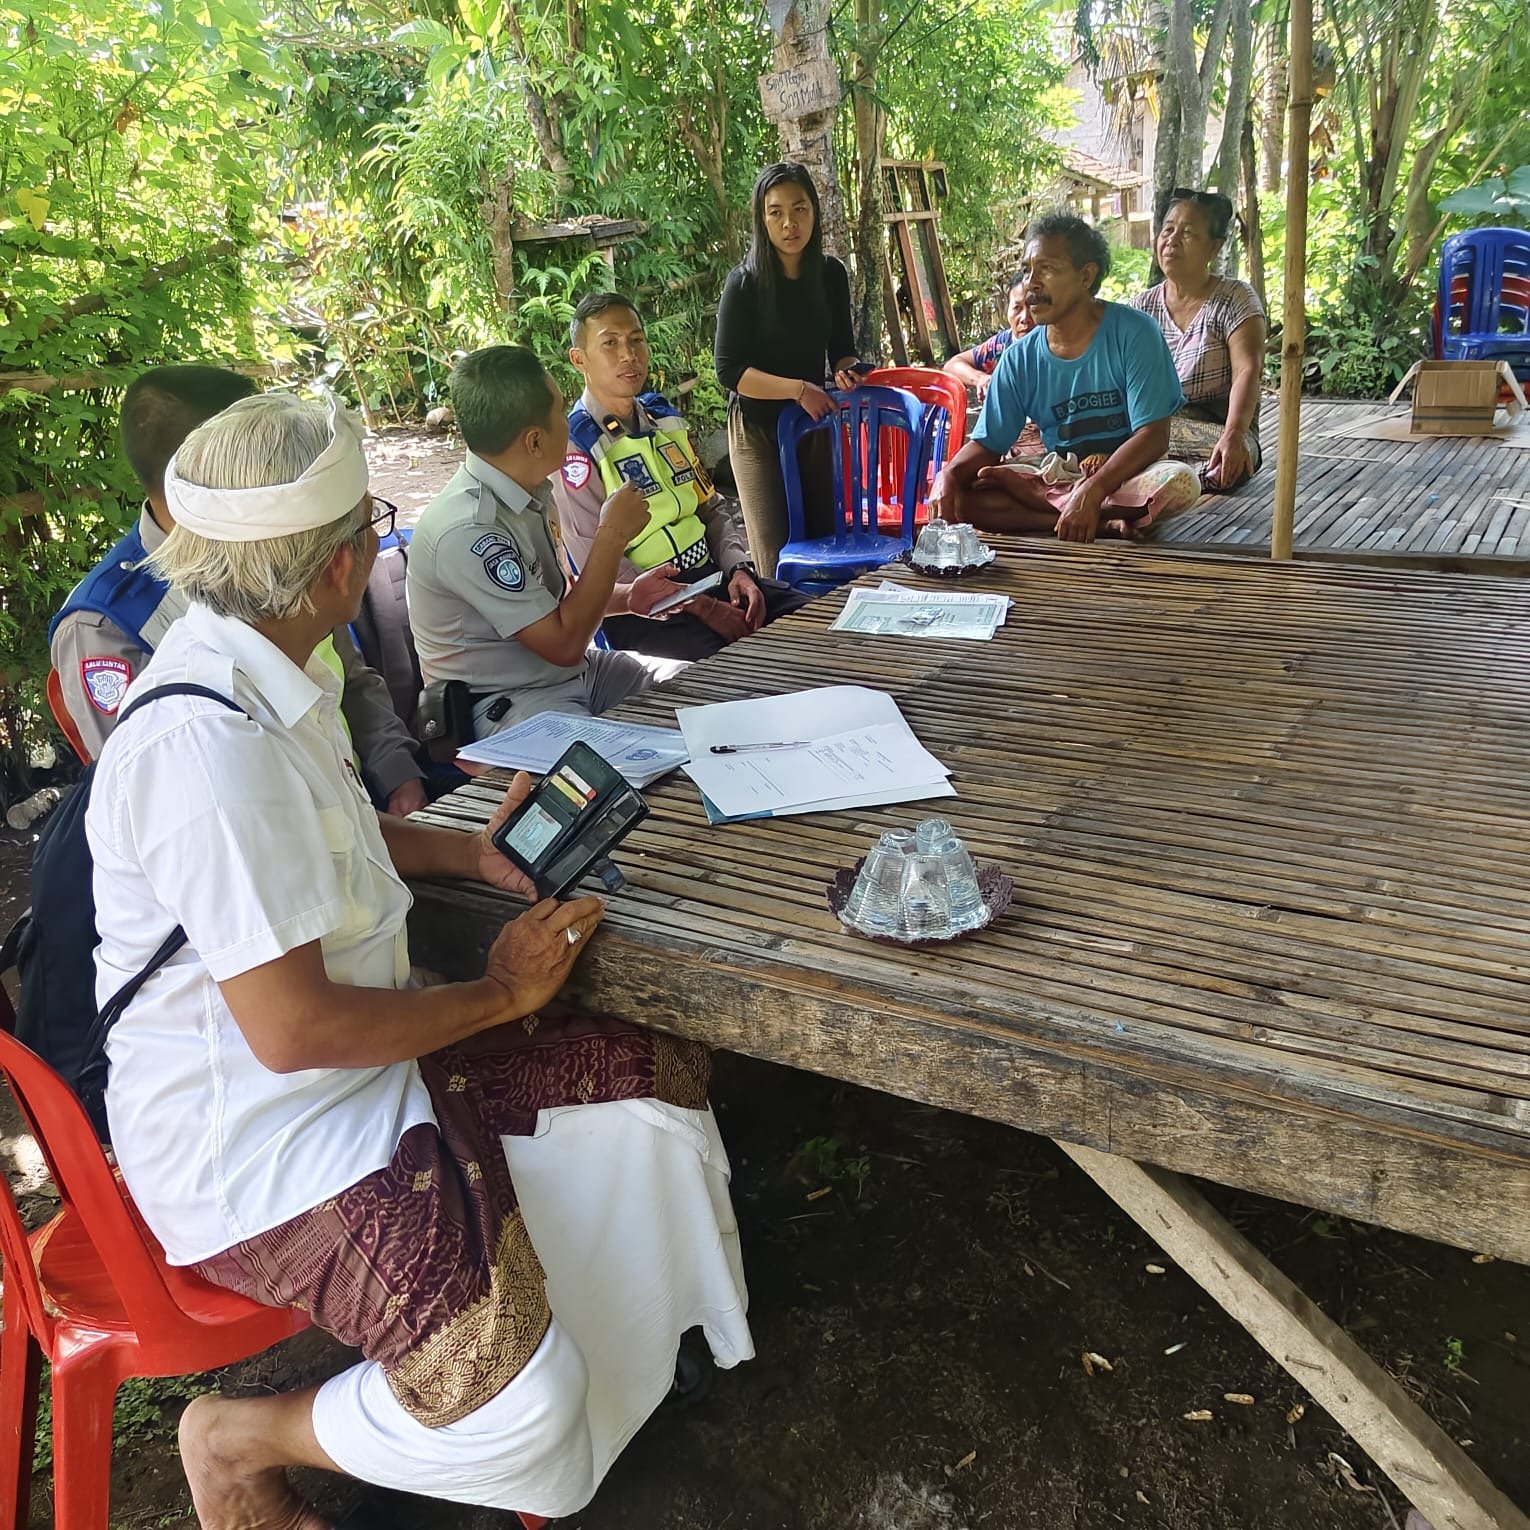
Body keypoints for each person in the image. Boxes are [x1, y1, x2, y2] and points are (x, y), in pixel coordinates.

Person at [86, 391, 752, 1525]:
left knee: (650, 1076)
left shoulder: (260, 667)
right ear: (341, 570)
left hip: (354, 1066)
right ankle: (242, 1439)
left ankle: (590, 1365)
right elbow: (295, 1033)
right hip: (257, 1143)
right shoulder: (207, 744)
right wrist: (497, 995)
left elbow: (325, 835)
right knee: (514, 1409)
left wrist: (461, 850)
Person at [50, 365, 427, 814]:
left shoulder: (283, 545)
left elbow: (346, 674)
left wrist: (399, 777)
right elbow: (152, 798)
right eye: (265, 446)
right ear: (202, 466)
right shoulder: (106, 624)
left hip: (358, 802)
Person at [406, 345, 687, 739]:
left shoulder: (532, 489)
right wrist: (613, 535)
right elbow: (563, 643)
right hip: (504, 703)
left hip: (574, 674)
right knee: (607, 776)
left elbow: (555, 601)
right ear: (535, 441)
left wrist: (629, 597)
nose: (569, 422)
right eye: (560, 412)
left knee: (698, 693)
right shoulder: (469, 530)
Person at [555, 291, 811, 661]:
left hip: (713, 579)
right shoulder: (577, 448)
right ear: (580, 359)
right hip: (645, 611)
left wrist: (740, 571)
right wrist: (702, 607)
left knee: (816, 623)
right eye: (610, 343)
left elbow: (711, 508)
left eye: (636, 340)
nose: (629, 355)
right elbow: (601, 570)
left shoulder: (665, 421)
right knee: (740, 669)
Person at [928, 212, 1188, 543]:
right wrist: (948, 475)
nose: (1031, 283)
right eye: (1027, 271)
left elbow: (1153, 436)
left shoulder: (1134, 333)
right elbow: (988, 444)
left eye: (1047, 269)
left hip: (1129, 476)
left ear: (1086, 276)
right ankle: (1102, 525)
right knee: (965, 496)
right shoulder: (1018, 359)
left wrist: (1093, 490)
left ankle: (1073, 511)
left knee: (1178, 482)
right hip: (1060, 478)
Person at [713, 162, 866, 578]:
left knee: (824, 535)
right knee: (773, 550)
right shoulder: (743, 284)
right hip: (756, 424)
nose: (789, 223)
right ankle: (778, 635)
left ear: (815, 212)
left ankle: (827, 632)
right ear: (761, 220)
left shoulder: (831, 274)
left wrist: (848, 372)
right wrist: (799, 389)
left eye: (799, 209)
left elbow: (842, 351)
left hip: (810, 420)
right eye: (775, 212)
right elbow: (729, 370)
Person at [1130, 188, 1267, 491]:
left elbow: (1248, 370)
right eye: (1168, 229)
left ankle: (1156, 477)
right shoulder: (1141, 307)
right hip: (1154, 427)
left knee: (1228, 465)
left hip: (1220, 429)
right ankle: (1161, 478)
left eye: (1188, 233)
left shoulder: (1235, 298)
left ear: (1214, 248)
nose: (1172, 240)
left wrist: (1233, 434)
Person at [944, 273, 1032, 398]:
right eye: (1017, 308)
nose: (1025, 318)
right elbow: (952, 365)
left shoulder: (1058, 346)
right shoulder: (1000, 346)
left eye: (1032, 307)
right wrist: (980, 378)